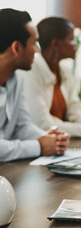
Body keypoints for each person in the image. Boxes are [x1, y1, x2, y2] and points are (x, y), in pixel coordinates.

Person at [0, 8, 69, 162]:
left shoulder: (17, 78)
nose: (38, 50)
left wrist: (49, 139)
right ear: (16, 48)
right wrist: (39, 146)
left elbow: (22, 125)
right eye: (34, 43)